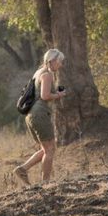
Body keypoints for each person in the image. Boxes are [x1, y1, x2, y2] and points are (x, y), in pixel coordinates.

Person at [13, 49, 68, 185]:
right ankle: (45, 183)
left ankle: (22, 169)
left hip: (31, 115)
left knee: (46, 148)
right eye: (60, 62)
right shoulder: (47, 74)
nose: (60, 65)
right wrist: (59, 95)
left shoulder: (38, 72)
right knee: (50, 149)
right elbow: (45, 96)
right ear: (52, 61)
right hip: (39, 114)